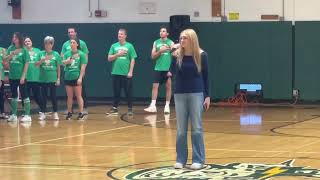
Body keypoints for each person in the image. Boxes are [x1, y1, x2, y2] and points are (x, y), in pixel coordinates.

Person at [170, 29, 210, 170]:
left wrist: (207, 96)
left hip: (196, 94)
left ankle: (198, 159)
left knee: (196, 128)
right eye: (181, 38)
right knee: (181, 129)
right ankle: (180, 159)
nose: (182, 41)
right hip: (180, 93)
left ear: (192, 39)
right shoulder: (176, 56)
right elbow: (172, 72)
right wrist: (171, 53)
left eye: (185, 38)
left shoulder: (201, 55)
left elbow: (206, 77)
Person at [106, 28, 137, 116]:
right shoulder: (114, 46)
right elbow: (109, 58)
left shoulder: (129, 46)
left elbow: (133, 59)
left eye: (121, 34)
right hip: (115, 73)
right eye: (119, 34)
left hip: (126, 74)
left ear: (125, 36)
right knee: (116, 92)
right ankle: (115, 108)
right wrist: (117, 54)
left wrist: (130, 71)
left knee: (128, 92)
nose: (119, 35)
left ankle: (130, 108)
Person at [144, 26, 174, 114]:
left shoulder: (171, 43)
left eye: (164, 31)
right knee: (155, 87)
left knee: (168, 87)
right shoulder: (156, 42)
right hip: (158, 68)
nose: (161, 32)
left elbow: (175, 55)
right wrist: (160, 51)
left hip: (167, 69)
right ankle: (153, 106)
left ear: (167, 33)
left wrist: (170, 69)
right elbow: (153, 56)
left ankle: (167, 106)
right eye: (160, 31)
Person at [4, 32, 31, 122]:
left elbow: (26, 64)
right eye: (13, 37)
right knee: (14, 95)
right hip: (12, 76)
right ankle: (14, 115)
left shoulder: (24, 50)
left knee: (24, 95)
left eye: (15, 37)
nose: (13, 38)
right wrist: (12, 54)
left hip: (21, 77)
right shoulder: (10, 48)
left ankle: (27, 115)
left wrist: (23, 76)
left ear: (19, 39)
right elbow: (5, 60)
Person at [61, 27, 89, 114]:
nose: (70, 33)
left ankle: (82, 110)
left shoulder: (82, 44)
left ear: (75, 33)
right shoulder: (65, 45)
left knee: (79, 93)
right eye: (69, 32)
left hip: (78, 72)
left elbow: (85, 57)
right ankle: (70, 110)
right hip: (68, 73)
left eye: (72, 32)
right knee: (69, 95)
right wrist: (66, 61)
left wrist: (82, 72)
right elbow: (62, 58)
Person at [36, 36, 61, 120]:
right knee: (43, 97)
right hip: (43, 79)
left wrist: (58, 79)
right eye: (46, 43)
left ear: (52, 44)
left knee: (53, 96)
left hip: (53, 79)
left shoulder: (56, 54)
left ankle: (55, 112)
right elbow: (36, 64)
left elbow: (58, 67)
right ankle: (43, 113)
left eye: (49, 43)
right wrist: (42, 60)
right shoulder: (40, 53)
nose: (47, 45)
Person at [24, 37, 42, 112]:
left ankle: (43, 110)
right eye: (25, 41)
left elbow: (42, 62)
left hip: (36, 78)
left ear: (31, 42)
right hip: (25, 78)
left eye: (29, 41)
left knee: (37, 96)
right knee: (25, 96)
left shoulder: (38, 51)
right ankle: (26, 112)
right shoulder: (22, 51)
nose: (27, 42)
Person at [0, 47, 8, 119]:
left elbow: (6, 65)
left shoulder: (2, 50)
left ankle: (2, 112)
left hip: (0, 76)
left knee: (1, 95)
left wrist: (5, 64)